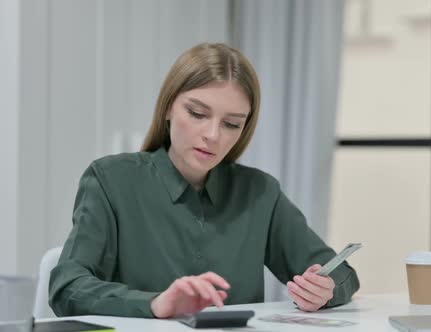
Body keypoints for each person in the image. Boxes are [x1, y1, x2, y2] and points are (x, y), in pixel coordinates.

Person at [49, 43, 360, 318]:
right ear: (169, 106)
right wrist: (155, 304)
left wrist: (326, 288)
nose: (213, 135)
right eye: (198, 113)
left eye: (231, 123)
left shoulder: (260, 193)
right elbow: (67, 288)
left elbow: (341, 273)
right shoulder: (110, 181)